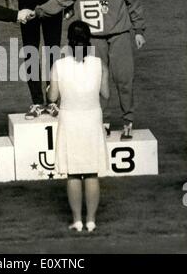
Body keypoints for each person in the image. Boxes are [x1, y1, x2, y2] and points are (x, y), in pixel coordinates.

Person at [36, 0, 146, 139]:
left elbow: (134, 3)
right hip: (93, 38)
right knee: (97, 81)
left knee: (124, 79)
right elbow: (60, 0)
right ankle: (102, 121)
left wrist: (139, 31)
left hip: (120, 35)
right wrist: (38, 11)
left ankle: (128, 121)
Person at [47, 21, 109, 232]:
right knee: (91, 173)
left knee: (74, 174)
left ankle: (77, 220)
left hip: (71, 121)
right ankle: (91, 220)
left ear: (69, 41)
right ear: (89, 39)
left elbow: (52, 97)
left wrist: (50, 87)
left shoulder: (59, 66)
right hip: (91, 120)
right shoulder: (99, 64)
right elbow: (106, 94)